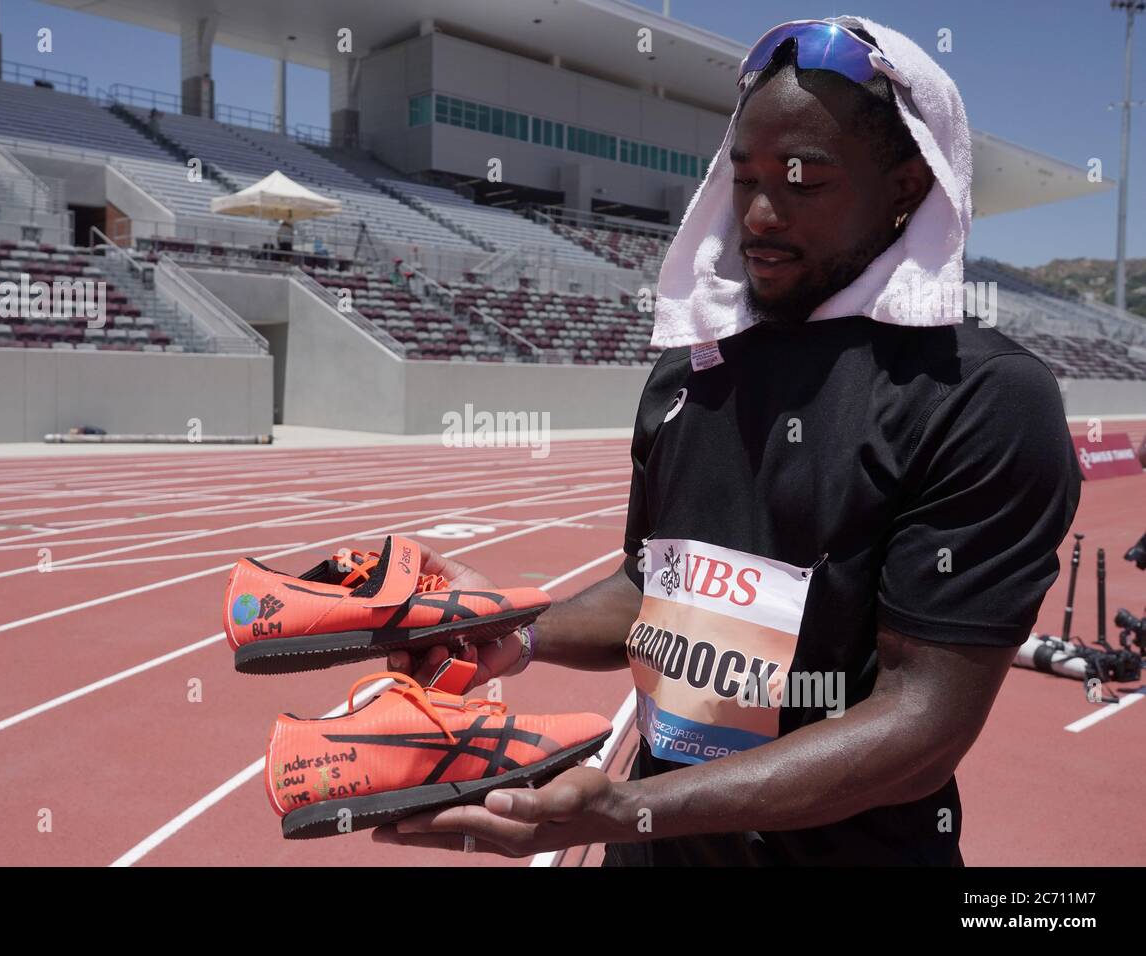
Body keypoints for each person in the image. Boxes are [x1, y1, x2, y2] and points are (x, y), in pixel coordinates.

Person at [374, 17, 1082, 865]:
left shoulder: (980, 398)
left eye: (802, 183)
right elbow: (655, 594)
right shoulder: (692, 373)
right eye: (742, 176)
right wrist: (515, 628)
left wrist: (628, 805)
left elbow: (923, 723)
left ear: (905, 185)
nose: (758, 214)